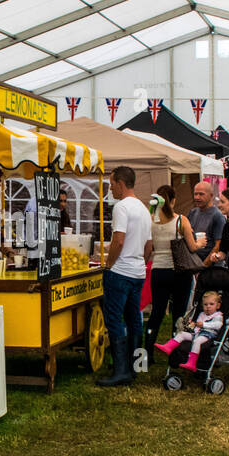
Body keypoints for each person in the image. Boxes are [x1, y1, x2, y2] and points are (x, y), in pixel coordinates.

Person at [96, 166, 152, 387]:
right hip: (138, 270)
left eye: (111, 185)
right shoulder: (144, 208)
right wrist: (140, 261)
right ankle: (137, 365)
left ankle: (121, 370)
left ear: (120, 183)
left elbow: (118, 240)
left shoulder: (121, 207)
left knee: (114, 319)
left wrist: (109, 265)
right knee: (134, 318)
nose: (111, 189)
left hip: (120, 271)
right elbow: (149, 245)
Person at [144, 184, 203, 357]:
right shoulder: (181, 220)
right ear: (174, 200)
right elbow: (192, 247)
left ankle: (147, 352)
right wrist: (201, 243)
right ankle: (174, 351)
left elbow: (149, 248)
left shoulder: (151, 221)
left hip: (158, 270)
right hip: (179, 271)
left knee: (157, 313)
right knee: (178, 313)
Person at [154, 290, 223, 373]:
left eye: (211, 304)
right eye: (205, 304)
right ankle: (168, 347)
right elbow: (197, 326)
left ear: (218, 306)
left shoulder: (218, 315)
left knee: (197, 341)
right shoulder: (201, 314)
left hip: (209, 334)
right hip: (198, 333)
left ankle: (191, 362)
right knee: (182, 334)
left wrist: (204, 325)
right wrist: (192, 325)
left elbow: (218, 325)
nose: (208, 306)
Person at [185, 180, 226, 264]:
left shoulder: (217, 216)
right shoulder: (193, 213)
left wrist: (204, 266)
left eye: (201, 194)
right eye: (195, 194)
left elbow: (218, 245)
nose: (197, 197)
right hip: (194, 263)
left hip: (211, 268)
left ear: (211, 196)